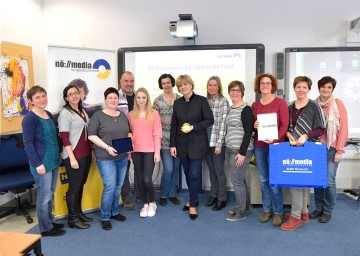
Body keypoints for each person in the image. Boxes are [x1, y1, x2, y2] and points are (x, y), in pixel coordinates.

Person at [280, 76, 326, 231]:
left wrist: (305, 136)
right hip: (292, 148)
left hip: (308, 149)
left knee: (296, 182)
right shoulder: (289, 106)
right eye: (298, 87)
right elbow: (285, 125)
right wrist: (287, 134)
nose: (301, 90)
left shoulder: (314, 107)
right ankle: (304, 212)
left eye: (304, 87)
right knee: (300, 181)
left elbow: (321, 128)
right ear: (294, 88)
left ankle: (296, 217)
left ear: (309, 89)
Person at [22, 86, 65, 237]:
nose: (42, 99)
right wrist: (38, 164)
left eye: (43, 96)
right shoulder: (30, 119)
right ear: (31, 101)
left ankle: (49, 221)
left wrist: (58, 154)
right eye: (37, 97)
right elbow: (28, 144)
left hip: (53, 161)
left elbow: (53, 138)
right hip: (41, 164)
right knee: (44, 196)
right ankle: (45, 228)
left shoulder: (47, 114)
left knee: (50, 193)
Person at [170, 75, 214, 220]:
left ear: (191, 85)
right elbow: (174, 125)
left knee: (194, 174)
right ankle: (192, 198)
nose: (183, 87)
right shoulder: (177, 103)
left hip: (198, 144)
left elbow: (209, 120)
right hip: (182, 145)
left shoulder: (201, 101)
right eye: (180, 85)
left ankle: (193, 204)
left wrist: (193, 127)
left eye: (185, 84)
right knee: (188, 174)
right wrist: (172, 145)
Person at [88, 87, 131, 230]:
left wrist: (129, 140)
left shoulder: (122, 115)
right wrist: (107, 147)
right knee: (110, 186)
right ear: (105, 99)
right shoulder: (98, 116)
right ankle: (105, 216)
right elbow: (91, 136)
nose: (113, 100)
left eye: (115, 98)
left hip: (122, 156)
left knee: (118, 186)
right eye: (110, 97)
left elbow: (128, 132)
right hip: (105, 157)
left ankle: (114, 211)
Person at [252, 73, 289, 227]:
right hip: (259, 146)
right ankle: (267, 209)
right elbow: (255, 126)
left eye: (268, 83)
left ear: (273, 86)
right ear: (259, 86)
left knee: (274, 181)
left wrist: (274, 139)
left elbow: (284, 125)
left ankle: (278, 212)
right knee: (263, 180)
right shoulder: (255, 105)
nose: (265, 86)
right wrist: (254, 126)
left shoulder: (280, 103)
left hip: (275, 147)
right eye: (262, 83)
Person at [309, 76, 348, 223]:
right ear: (318, 88)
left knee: (330, 180)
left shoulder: (338, 104)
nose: (326, 90)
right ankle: (318, 208)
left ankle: (327, 210)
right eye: (323, 87)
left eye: (329, 87)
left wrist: (339, 150)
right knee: (318, 180)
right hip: (317, 148)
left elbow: (344, 128)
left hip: (332, 147)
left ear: (332, 89)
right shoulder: (313, 105)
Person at [58, 85, 93, 229]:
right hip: (73, 155)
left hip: (85, 153)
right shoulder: (65, 114)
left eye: (76, 93)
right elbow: (65, 138)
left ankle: (78, 213)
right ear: (66, 98)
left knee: (81, 184)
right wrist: (71, 158)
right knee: (74, 187)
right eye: (70, 94)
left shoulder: (82, 110)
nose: (74, 96)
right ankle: (72, 219)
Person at [129, 87, 162, 217]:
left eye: (143, 97)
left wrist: (157, 152)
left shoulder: (154, 113)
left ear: (147, 98)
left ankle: (152, 202)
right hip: (136, 151)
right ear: (135, 99)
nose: (141, 100)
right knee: (140, 180)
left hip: (150, 151)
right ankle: (145, 204)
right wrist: (129, 152)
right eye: (138, 97)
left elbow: (157, 134)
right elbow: (129, 134)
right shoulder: (131, 114)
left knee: (147, 179)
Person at [224, 81, 254, 221]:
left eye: (237, 90)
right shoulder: (231, 109)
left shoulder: (246, 109)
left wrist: (242, 153)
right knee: (240, 180)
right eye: (232, 90)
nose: (234, 92)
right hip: (230, 148)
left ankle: (241, 212)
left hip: (241, 151)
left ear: (242, 92)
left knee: (237, 182)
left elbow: (248, 131)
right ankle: (244, 206)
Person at [153, 74, 181, 206]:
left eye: (168, 82)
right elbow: (153, 121)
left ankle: (172, 194)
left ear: (172, 83)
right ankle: (163, 194)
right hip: (164, 140)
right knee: (168, 169)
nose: (166, 85)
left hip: (179, 139)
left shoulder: (180, 99)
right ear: (161, 85)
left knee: (175, 169)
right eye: (163, 83)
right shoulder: (157, 101)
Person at [204, 76, 230, 211]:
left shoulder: (223, 102)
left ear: (219, 87)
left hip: (217, 142)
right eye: (210, 85)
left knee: (219, 170)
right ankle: (214, 194)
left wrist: (219, 144)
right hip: (205, 142)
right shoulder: (204, 101)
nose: (212, 87)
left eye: (214, 85)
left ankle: (222, 198)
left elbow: (224, 125)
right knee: (212, 170)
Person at [117, 71, 140, 210]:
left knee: (139, 168)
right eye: (126, 81)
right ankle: (126, 198)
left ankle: (139, 193)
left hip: (139, 138)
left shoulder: (139, 96)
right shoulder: (115, 97)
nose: (129, 84)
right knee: (124, 169)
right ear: (121, 82)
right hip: (122, 138)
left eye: (131, 81)